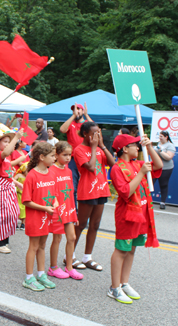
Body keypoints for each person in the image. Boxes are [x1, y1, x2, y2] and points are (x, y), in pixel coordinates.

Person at [108, 134, 162, 304]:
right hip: (127, 215)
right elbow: (125, 192)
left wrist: (150, 148)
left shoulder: (137, 163)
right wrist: (141, 173)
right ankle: (114, 288)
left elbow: (159, 165)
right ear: (124, 149)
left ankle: (124, 283)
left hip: (141, 214)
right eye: (135, 145)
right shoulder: (117, 168)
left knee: (132, 249)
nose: (137, 148)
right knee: (122, 249)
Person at [73, 122, 115, 271]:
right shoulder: (79, 150)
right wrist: (93, 148)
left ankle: (87, 257)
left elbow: (113, 164)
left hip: (101, 189)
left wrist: (102, 146)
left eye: (99, 133)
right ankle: (69, 256)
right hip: (87, 191)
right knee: (81, 224)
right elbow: (90, 167)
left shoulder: (99, 149)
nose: (97, 136)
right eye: (94, 133)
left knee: (95, 225)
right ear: (85, 133)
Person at [21, 143, 57, 291]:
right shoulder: (32, 175)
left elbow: (54, 195)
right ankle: (29, 278)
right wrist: (44, 208)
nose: (55, 158)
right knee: (34, 246)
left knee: (42, 246)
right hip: (36, 216)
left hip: (47, 216)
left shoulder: (51, 173)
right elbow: (26, 201)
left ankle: (41, 274)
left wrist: (55, 203)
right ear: (42, 157)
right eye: (53, 156)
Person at [47, 141, 83, 280]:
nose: (68, 158)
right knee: (57, 238)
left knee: (72, 237)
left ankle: (69, 267)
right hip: (58, 209)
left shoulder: (68, 170)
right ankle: (53, 267)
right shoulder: (51, 170)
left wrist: (75, 211)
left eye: (70, 155)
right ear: (56, 155)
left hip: (69, 208)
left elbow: (71, 192)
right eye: (65, 155)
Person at [0, 126, 26, 254]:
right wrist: (16, 137)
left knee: (12, 213)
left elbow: (7, 174)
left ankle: (4, 240)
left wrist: (16, 183)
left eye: (8, 142)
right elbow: (5, 154)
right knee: (1, 215)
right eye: (5, 141)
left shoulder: (6, 157)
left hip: (8, 184)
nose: (8, 144)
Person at [60, 103, 93, 205]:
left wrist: (87, 115)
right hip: (73, 159)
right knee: (73, 187)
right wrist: (73, 116)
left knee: (88, 185)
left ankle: (85, 212)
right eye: (74, 109)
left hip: (86, 158)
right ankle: (75, 212)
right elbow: (62, 129)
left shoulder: (87, 123)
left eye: (79, 109)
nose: (76, 111)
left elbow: (96, 131)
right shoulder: (71, 122)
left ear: (83, 111)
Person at [154, 130, 175, 209]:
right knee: (150, 182)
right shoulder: (157, 144)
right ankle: (146, 199)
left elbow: (169, 157)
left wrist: (161, 151)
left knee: (163, 184)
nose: (160, 138)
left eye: (161, 136)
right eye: (159, 136)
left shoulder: (170, 146)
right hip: (156, 167)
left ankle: (162, 202)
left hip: (166, 168)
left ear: (166, 137)